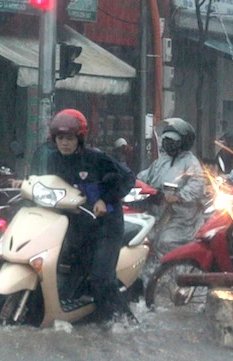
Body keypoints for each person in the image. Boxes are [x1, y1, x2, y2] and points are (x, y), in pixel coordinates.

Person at [19, 109, 136, 322]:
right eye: (60, 138)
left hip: (105, 227)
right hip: (76, 227)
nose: (65, 143)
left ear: (80, 138)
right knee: (60, 273)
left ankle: (124, 324)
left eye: (70, 138)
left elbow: (128, 177)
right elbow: (49, 186)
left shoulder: (96, 159)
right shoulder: (54, 159)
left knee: (101, 279)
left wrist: (105, 200)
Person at [137, 118, 206, 278]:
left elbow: (197, 185)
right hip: (160, 214)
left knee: (166, 242)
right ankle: (148, 281)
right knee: (147, 241)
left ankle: (174, 278)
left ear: (182, 142)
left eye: (172, 141)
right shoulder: (161, 161)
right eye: (165, 140)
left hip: (182, 218)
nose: (167, 143)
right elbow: (145, 177)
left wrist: (178, 197)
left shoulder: (191, 162)